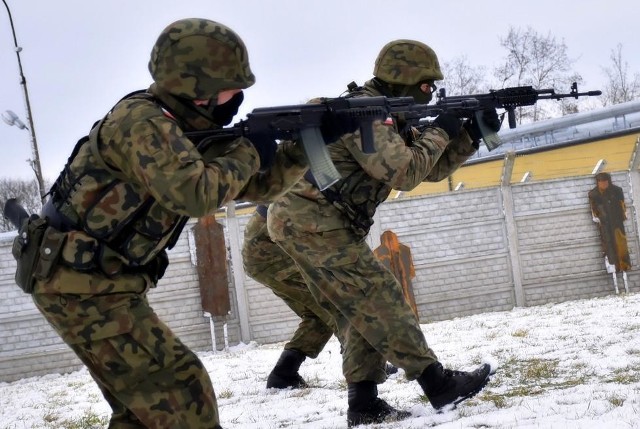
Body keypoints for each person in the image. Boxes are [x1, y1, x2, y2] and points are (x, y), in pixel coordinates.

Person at [28, 18, 328, 429]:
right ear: (196, 88)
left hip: (97, 279)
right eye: (230, 85)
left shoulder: (189, 130)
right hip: (78, 282)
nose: (238, 95)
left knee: (143, 415)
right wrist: (247, 152)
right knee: (184, 394)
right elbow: (195, 193)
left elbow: (258, 187)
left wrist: (306, 145)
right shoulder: (143, 122)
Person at [267, 39, 501, 427]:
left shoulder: (388, 113)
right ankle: (438, 384)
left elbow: (429, 168)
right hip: (313, 221)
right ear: (404, 79)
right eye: (426, 85)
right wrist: (442, 129)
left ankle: (364, 403)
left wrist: (469, 137)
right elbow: (405, 173)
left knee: (360, 307)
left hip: (317, 221)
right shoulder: (367, 115)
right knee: (381, 295)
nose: (430, 93)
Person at [242, 204, 400, 389]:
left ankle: (284, 373)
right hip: (271, 250)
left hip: (267, 248)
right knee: (336, 302)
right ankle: (365, 370)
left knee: (319, 314)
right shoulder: (320, 180)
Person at [588, 172, 631, 292]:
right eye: (601, 182)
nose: (604, 184)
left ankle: (625, 273)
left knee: (621, 248)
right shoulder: (593, 194)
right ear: (598, 182)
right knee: (609, 250)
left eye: (606, 181)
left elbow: (623, 207)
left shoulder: (617, 191)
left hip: (617, 225)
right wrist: (598, 218)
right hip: (605, 227)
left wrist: (623, 215)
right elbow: (594, 211)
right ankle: (614, 275)